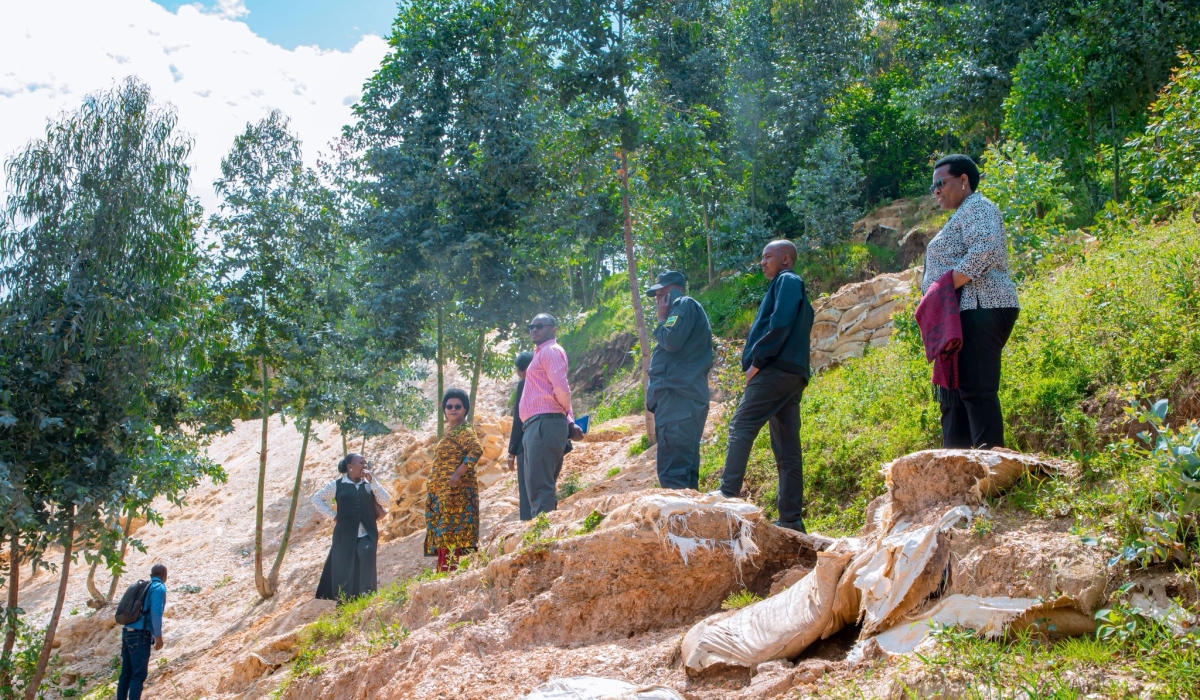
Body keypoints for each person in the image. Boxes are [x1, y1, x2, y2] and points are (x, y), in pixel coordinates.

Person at [713, 240, 814, 533]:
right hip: (793, 374)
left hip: (775, 369)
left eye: (767, 256)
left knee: (741, 424)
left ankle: (727, 493)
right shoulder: (793, 286)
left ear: (785, 259)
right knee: (787, 448)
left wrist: (758, 361)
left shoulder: (788, 280)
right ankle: (791, 520)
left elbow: (780, 323)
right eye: (762, 257)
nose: (762, 261)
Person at [922, 154, 1020, 449]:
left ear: (963, 180)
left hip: (982, 305)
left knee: (977, 392)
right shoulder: (964, 213)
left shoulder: (977, 206)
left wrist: (942, 290)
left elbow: (986, 249)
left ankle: (992, 472)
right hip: (969, 309)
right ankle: (967, 471)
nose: (936, 190)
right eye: (932, 187)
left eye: (941, 183)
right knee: (964, 394)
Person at [645, 270, 713, 489]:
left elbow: (671, 340)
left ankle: (679, 522)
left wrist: (662, 319)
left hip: (678, 401)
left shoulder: (683, 305)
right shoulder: (687, 309)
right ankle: (690, 521)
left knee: (673, 474)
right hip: (682, 401)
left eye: (661, 294)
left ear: (673, 291)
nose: (658, 301)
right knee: (684, 472)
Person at [519, 313, 585, 516]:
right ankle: (542, 532)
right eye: (531, 326)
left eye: (539, 326)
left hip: (544, 423)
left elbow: (561, 389)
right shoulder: (540, 353)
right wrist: (569, 420)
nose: (534, 329)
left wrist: (568, 418)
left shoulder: (550, 351)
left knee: (540, 486)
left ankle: (541, 538)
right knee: (537, 485)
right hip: (538, 424)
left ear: (553, 328)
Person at [313, 453, 390, 601]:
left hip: (366, 532)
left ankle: (367, 594)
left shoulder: (369, 484)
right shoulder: (337, 485)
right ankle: (345, 600)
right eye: (361, 463)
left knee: (367, 553)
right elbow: (316, 499)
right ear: (350, 467)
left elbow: (385, 500)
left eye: (366, 463)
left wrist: (373, 481)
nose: (365, 466)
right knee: (344, 565)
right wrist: (334, 516)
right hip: (344, 534)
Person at [425, 388, 485, 571]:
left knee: (451, 532)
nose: (453, 409)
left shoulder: (464, 431)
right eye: (449, 406)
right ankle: (444, 571)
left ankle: (448, 570)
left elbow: (476, 450)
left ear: (465, 409)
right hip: (445, 494)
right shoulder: (452, 432)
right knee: (446, 531)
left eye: (457, 406)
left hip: (455, 493)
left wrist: (457, 474)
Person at [117, 563, 167, 700]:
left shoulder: (144, 587)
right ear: (165, 576)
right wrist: (158, 636)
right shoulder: (159, 587)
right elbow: (156, 613)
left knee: (126, 673)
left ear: (151, 575)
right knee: (138, 675)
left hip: (127, 631)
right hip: (140, 634)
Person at [507, 351, 536, 520]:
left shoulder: (524, 384)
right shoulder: (547, 381)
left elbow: (519, 419)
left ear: (521, 371)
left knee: (527, 486)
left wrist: (511, 451)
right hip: (551, 435)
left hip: (527, 441)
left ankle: (528, 523)